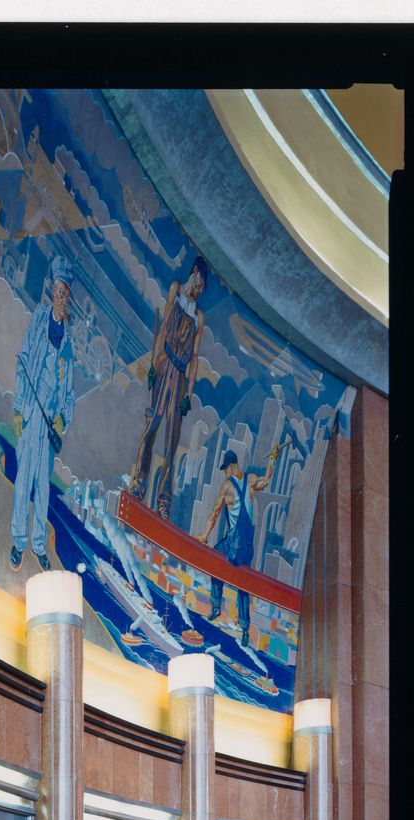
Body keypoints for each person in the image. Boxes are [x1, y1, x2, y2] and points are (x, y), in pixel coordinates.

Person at [9, 256, 76, 572]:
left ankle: (38, 544)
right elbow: (22, 362)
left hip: (49, 422)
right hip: (31, 414)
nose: (61, 299)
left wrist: (63, 417)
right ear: (52, 292)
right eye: (58, 292)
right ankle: (18, 541)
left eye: (66, 295)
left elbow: (70, 390)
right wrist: (19, 408)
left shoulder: (69, 343)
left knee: (43, 485)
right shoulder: (38, 321)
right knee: (23, 479)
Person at [129, 254, 209, 515]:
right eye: (199, 284)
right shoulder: (175, 290)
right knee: (151, 424)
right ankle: (138, 482)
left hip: (180, 375)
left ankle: (163, 501)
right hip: (164, 366)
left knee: (172, 441)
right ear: (194, 274)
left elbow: (195, 357)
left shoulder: (199, 316)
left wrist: (189, 392)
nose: (199, 291)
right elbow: (163, 328)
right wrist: (153, 363)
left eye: (202, 288)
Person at [200, 444, 279, 645]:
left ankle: (216, 606)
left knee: (216, 559)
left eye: (226, 468)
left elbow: (215, 512)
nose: (225, 472)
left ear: (233, 466)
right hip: (248, 548)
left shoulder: (227, 486)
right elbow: (267, 480)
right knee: (244, 584)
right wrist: (273, 461)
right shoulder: (251, 480)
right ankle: (245, 630)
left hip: (233, 545)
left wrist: (204, 536)